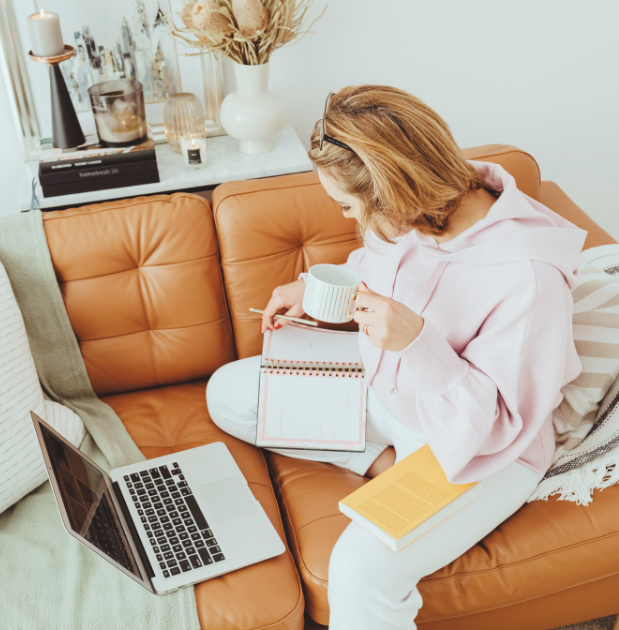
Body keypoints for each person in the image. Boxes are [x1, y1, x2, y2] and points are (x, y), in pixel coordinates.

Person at [205, 85, 587, 630]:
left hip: (474, 449)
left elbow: (498, 424)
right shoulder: (413, 213)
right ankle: (382, 464)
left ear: (394, 191)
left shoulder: (527, 278)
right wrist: (312, 290)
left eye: (348, 205)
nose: (345, 218)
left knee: (359, 572)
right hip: (386, 394)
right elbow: (381, 271)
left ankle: (399, 468)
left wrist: (418, 344)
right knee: (230, 392)